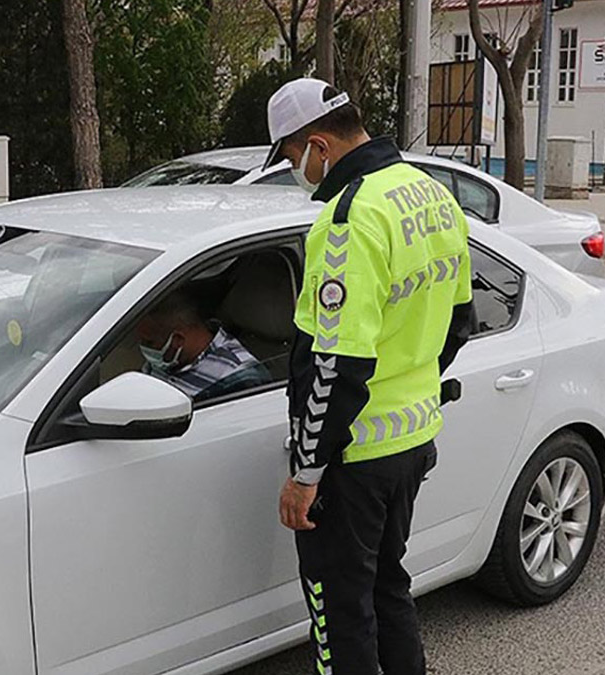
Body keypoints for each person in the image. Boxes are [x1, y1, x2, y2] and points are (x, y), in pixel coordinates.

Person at [267, 79, 475, 675]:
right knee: (388, 588)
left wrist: (306, 473)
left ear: (317, 145)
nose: (293, 168)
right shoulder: (430, 193)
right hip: (412, 439)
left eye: (289, 155)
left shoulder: (348, 219)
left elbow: (336, 365)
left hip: (353, 459)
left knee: (339, 611)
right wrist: (412, 380)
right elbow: (458, 320)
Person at [134, 292, 271, 402]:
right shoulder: (169, 358)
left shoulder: (238, 377)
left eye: (149, 342)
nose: (143, 348)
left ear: (177, 340)